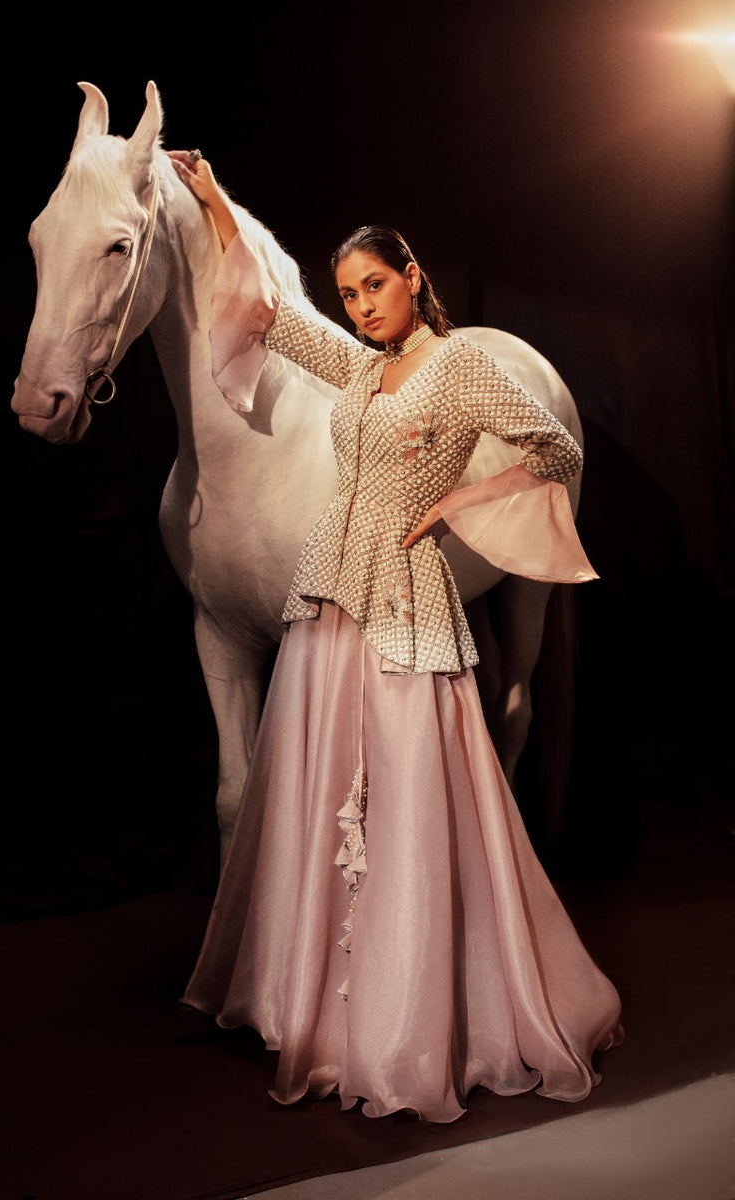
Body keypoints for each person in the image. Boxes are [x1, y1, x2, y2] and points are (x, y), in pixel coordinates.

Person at [168, 148, 623, 1124]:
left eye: (374, 285)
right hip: (329, 595)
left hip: (408, 602)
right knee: (320, 799)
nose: (362, 305)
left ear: (412, 277)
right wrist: (211, 206)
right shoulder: (360, 364)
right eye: (349, 292)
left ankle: (416, 1014)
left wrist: (462, 496)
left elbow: (557, 445)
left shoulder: (457, 365)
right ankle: (324, 1013)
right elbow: (268, 318)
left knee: (414, 805)